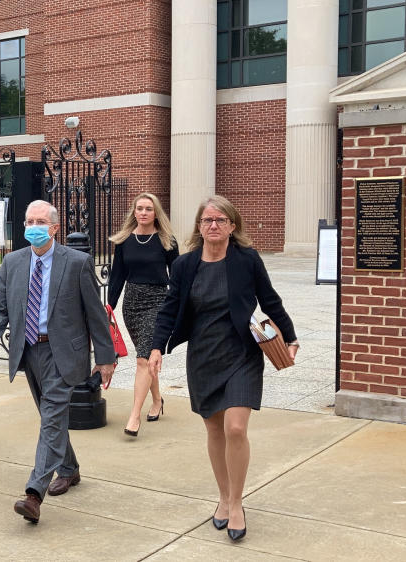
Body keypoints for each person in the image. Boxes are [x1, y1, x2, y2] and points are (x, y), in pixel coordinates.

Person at [148, 195, 298, 543]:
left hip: (242, 353)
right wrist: (156, 347)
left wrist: (289, 336)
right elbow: (170, 309)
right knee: (215, 429)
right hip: (203, 355)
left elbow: (269, 298)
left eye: (219, 220)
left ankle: (237, 502)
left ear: (232, 225)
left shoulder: (246, 259)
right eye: (206, 221)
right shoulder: (186, 266)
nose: (213, 226)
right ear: (199, 227)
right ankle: (224, 496)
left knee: (235, 428)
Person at [0, 200, 116, 524]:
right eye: (29, 220)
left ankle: (33, 494)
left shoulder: (77, 262)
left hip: (63, 352)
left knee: (51, 417)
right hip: (28, 351)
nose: (34, 226)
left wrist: (106, 358)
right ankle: (69, 468)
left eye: (41, 221)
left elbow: (95, 313)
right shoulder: (12, 263)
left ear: (54, 228)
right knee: (49, 415)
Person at [107, 192, 178, 437]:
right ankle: (157, 400)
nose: (144, 212)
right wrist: (109, 306)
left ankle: (134, 416)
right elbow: (117, 276)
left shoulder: (167, 240)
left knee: (143, 360)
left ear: (156, 212)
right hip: (132, 303)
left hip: (159, 301)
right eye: (140, 208)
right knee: (148, 359)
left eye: (149, 208)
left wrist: (179, 305)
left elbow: (177, 276)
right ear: (134, 212)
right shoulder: (124, 240)